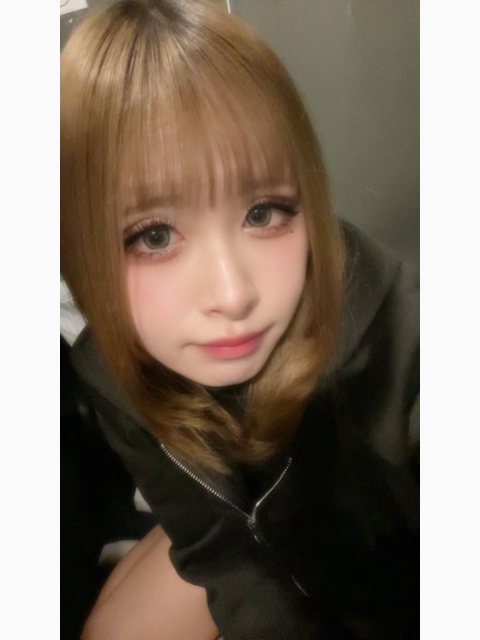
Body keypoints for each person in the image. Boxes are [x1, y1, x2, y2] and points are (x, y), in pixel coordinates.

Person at [60, 1, 419, 638]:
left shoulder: (405, 339)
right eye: (154, 235)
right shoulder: (107, 367)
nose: (232, 294)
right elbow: (215, 550)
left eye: (264, 212)